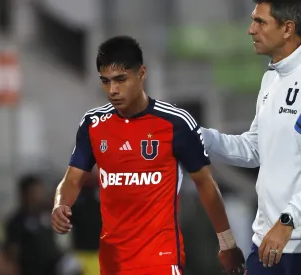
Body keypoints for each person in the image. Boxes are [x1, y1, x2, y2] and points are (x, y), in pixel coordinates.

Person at [51, 35, 246, 275]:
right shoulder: (93, 124)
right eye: (106, 81)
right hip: (113, 263)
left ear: (141, 74)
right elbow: (72, 179)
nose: (113, 90)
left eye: (121, 79)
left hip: (161, 261)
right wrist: (61, 204)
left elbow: (205, 183)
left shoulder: (176, 123)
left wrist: (226, 242)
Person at [201, 0, 301, 274]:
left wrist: (288, 220)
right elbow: (254, 149)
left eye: (260, 22)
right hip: (266, 242)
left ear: (287, 29)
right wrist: (200, 137)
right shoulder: (271, 79)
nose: (251, 30)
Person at [5, 174, 62, 275]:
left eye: (42, 190)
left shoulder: (49, 214)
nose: (41, 195)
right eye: (37, 191)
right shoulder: (16, 221)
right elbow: (13, 250)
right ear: (26, 194)